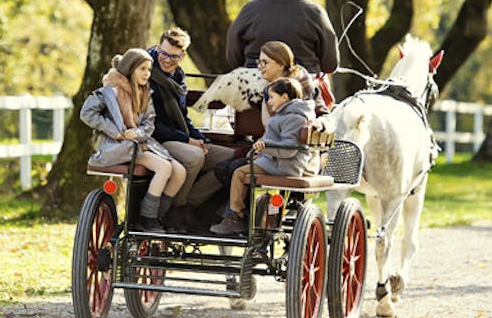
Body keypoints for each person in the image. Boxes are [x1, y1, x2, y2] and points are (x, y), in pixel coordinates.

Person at [80, 48, 186, 232]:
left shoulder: (145, 94)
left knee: (180, 172)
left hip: (139, 143)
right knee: (164, 167)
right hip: (118, 146)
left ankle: (158, 214)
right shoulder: (110, 91)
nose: (147, 74)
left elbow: (149, 124)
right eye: (142, 69)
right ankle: (147, 217)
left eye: (149, 70)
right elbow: (87, 113)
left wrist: (137, 133)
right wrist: (116, 132)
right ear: (130, 69)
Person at [147, 27, 235, 218]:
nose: (167, 60)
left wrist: (200, 139)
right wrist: (188, 140)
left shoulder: (178, 77)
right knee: (195, 156)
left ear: (183, 56)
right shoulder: (146, 73)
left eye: (174, 56)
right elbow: (153, 125)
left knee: (231, 159)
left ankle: (190, 203)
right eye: (164, 54)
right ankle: (174, 211)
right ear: (157, 48)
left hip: (176, 136)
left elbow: (182, 117)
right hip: (155, 139)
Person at [210, 77, 315, 235]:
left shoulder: (294, 118)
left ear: (284, 97)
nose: (268, 102)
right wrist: (262, 150)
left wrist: (265, 147)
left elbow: (289, 150)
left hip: (284, 165)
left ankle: (236, 215)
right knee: (233, 168)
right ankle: (242, 212)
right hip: (277, 161)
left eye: (271, 97)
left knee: (239, 173)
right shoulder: (287, 115)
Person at [226, 0, 339, 74]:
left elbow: (233, 55)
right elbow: (330, 64)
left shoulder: (249, 9)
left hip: (253, 77)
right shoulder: (316, 12)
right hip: (302, 80)